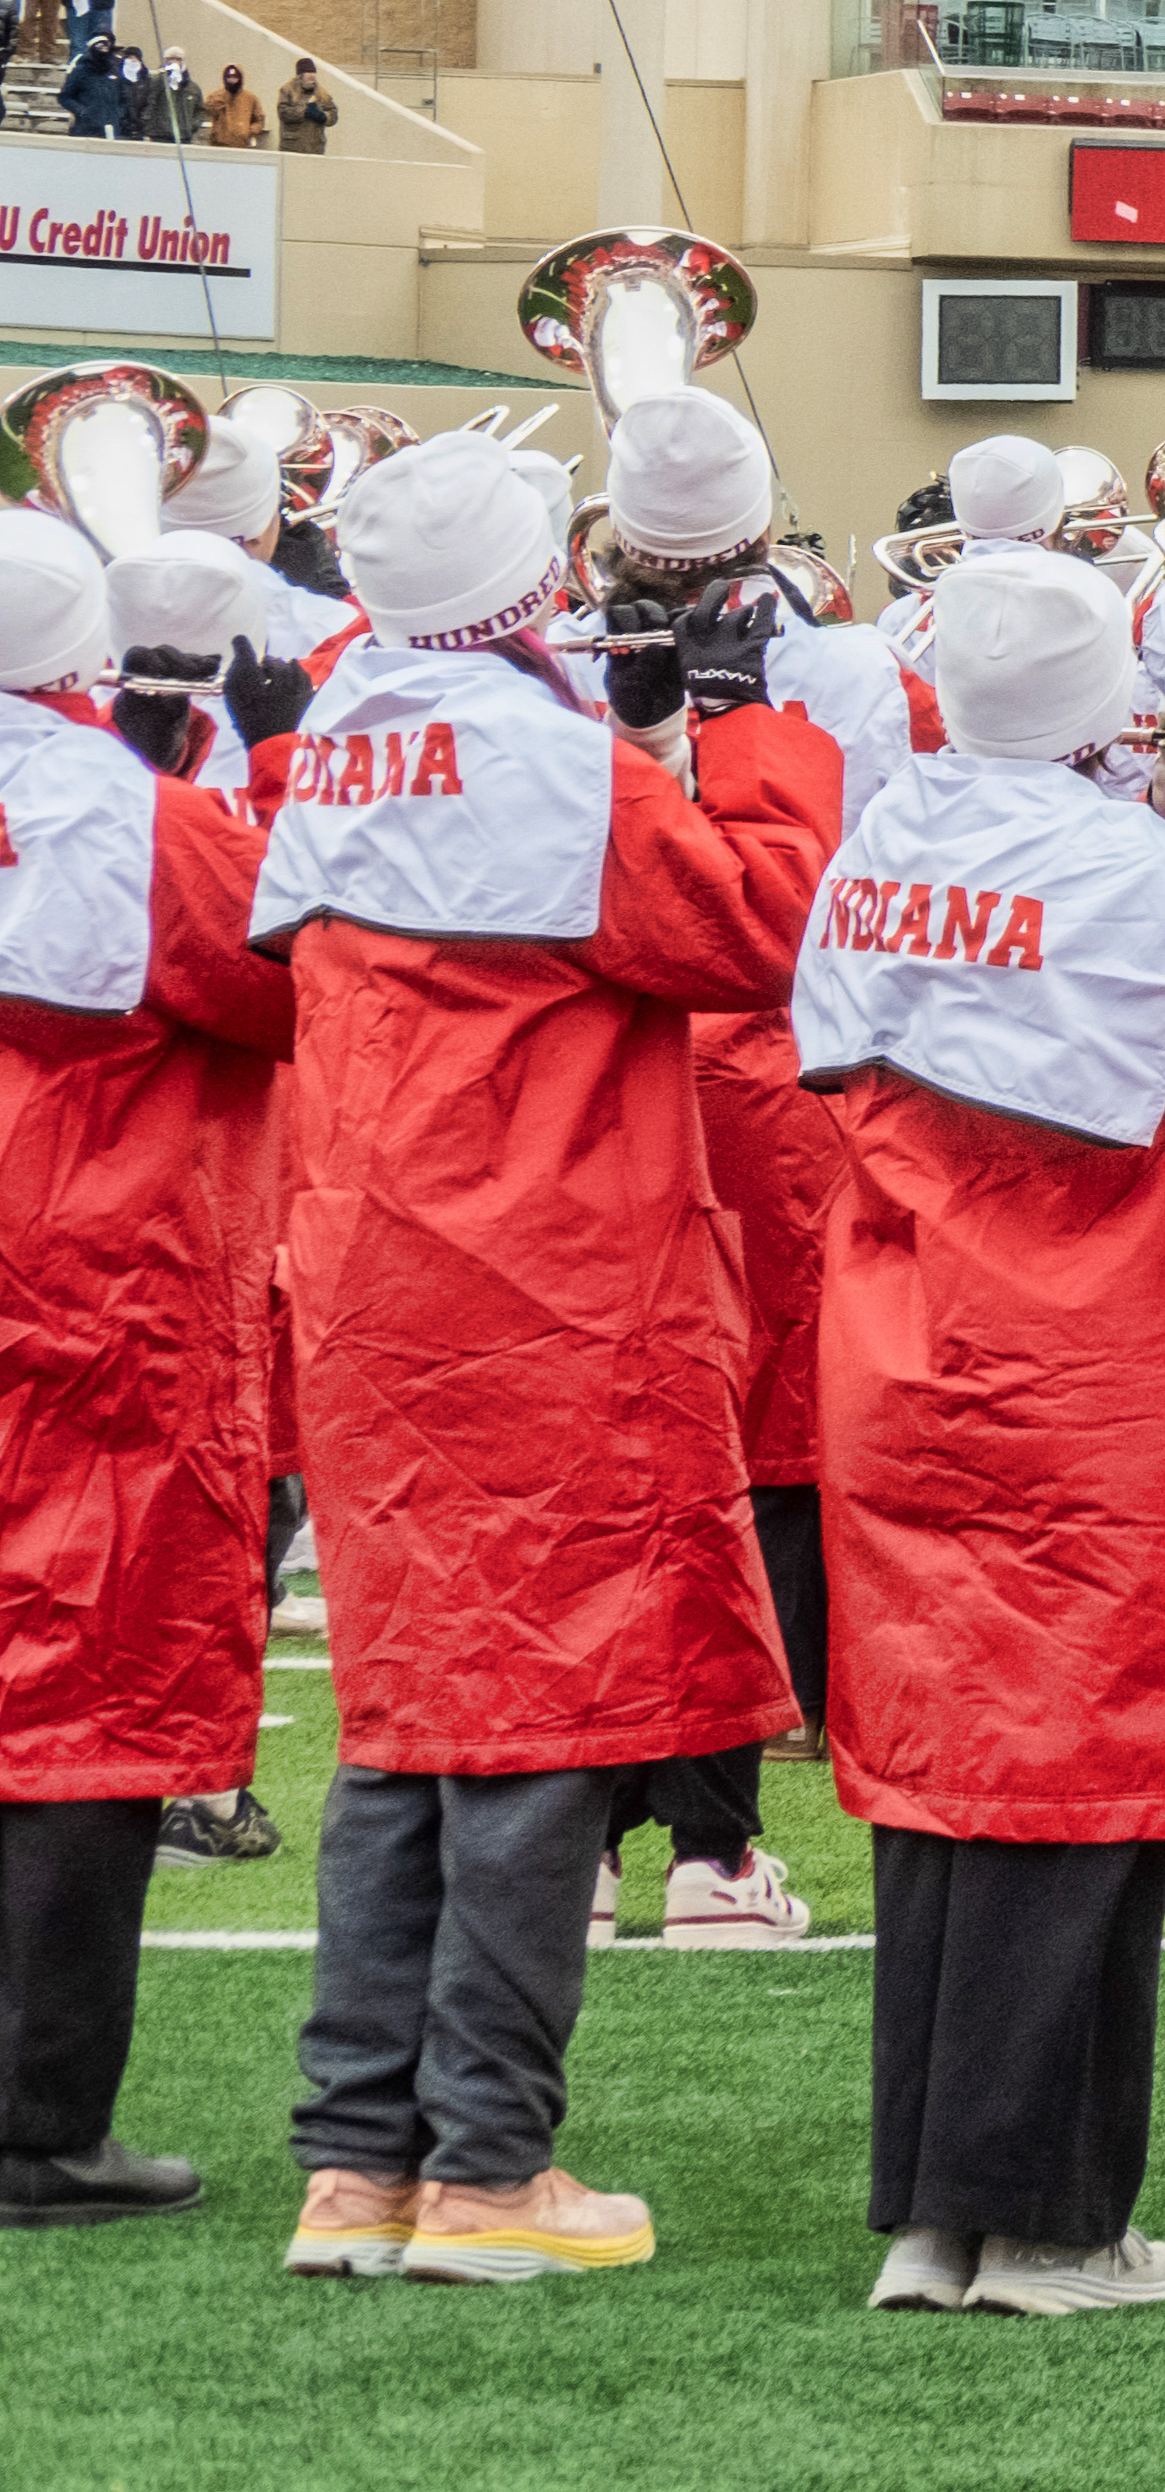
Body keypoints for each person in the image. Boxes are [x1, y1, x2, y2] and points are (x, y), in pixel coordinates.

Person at [255, 429, 827, 2283]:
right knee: (532, 1727)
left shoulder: (346, 722)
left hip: (369, 1276)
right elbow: (760, 925)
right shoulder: (539, 755)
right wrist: (734, 725)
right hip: (542, 1284)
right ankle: (490, 2162)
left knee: (406, 1721)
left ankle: (356, 2162)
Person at [798, 552, 1165, 2315]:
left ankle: (933, 2205)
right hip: (1092, 1374)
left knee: (942, 1794)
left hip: (909, 1356)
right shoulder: (1132, 871)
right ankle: (1046, 2219)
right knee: (1074, 1794)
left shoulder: (883, 840)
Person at [0, 513, 280, 2226]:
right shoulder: (143, 816)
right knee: (85, 1695)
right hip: (93, 1285)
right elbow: (284, 982)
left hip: (74, 1275)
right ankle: (35, 2119)